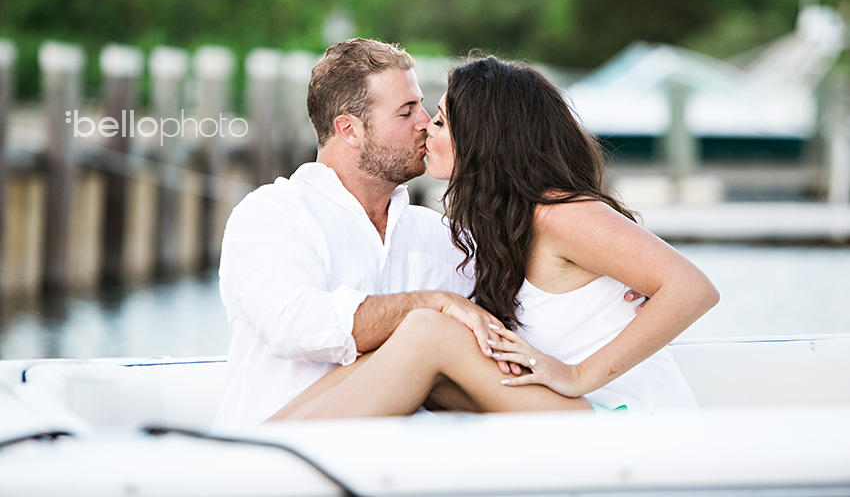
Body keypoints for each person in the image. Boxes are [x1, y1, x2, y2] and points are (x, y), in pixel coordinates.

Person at [270, 56, 720, 420]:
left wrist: (578, 374)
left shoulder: (558, 213)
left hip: (633, 422)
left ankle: (276, 461)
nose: (426, 128)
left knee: (427, 328)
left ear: (484, 135)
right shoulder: (497, 228)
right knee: (400, 344)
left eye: (442, 122)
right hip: (572, 417)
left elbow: (692, 288)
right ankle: (265, 444)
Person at [214, 40, 531, 430]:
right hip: (275, 461)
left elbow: (521, 303)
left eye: (423, 106)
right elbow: (295, 325)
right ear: (349, 129)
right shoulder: (272, 213)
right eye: (406, 111)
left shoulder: (439, 234)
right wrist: (431, 304)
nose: (426, 123)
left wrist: (615, 292)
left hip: (394, 469)